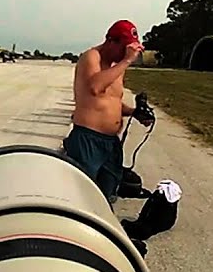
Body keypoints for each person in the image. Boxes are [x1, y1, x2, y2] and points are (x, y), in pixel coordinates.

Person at [64, 19, 152, 202]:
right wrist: (127, 60)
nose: (126, 54)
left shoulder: (115, 67)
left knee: (107, 194)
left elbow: (112, 102)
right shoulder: (91, 57)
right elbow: (95, 87)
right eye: (124, 49)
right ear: (111, 41)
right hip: (88, 139)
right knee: (81, 194)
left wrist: (134, 112)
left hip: (110, 143)